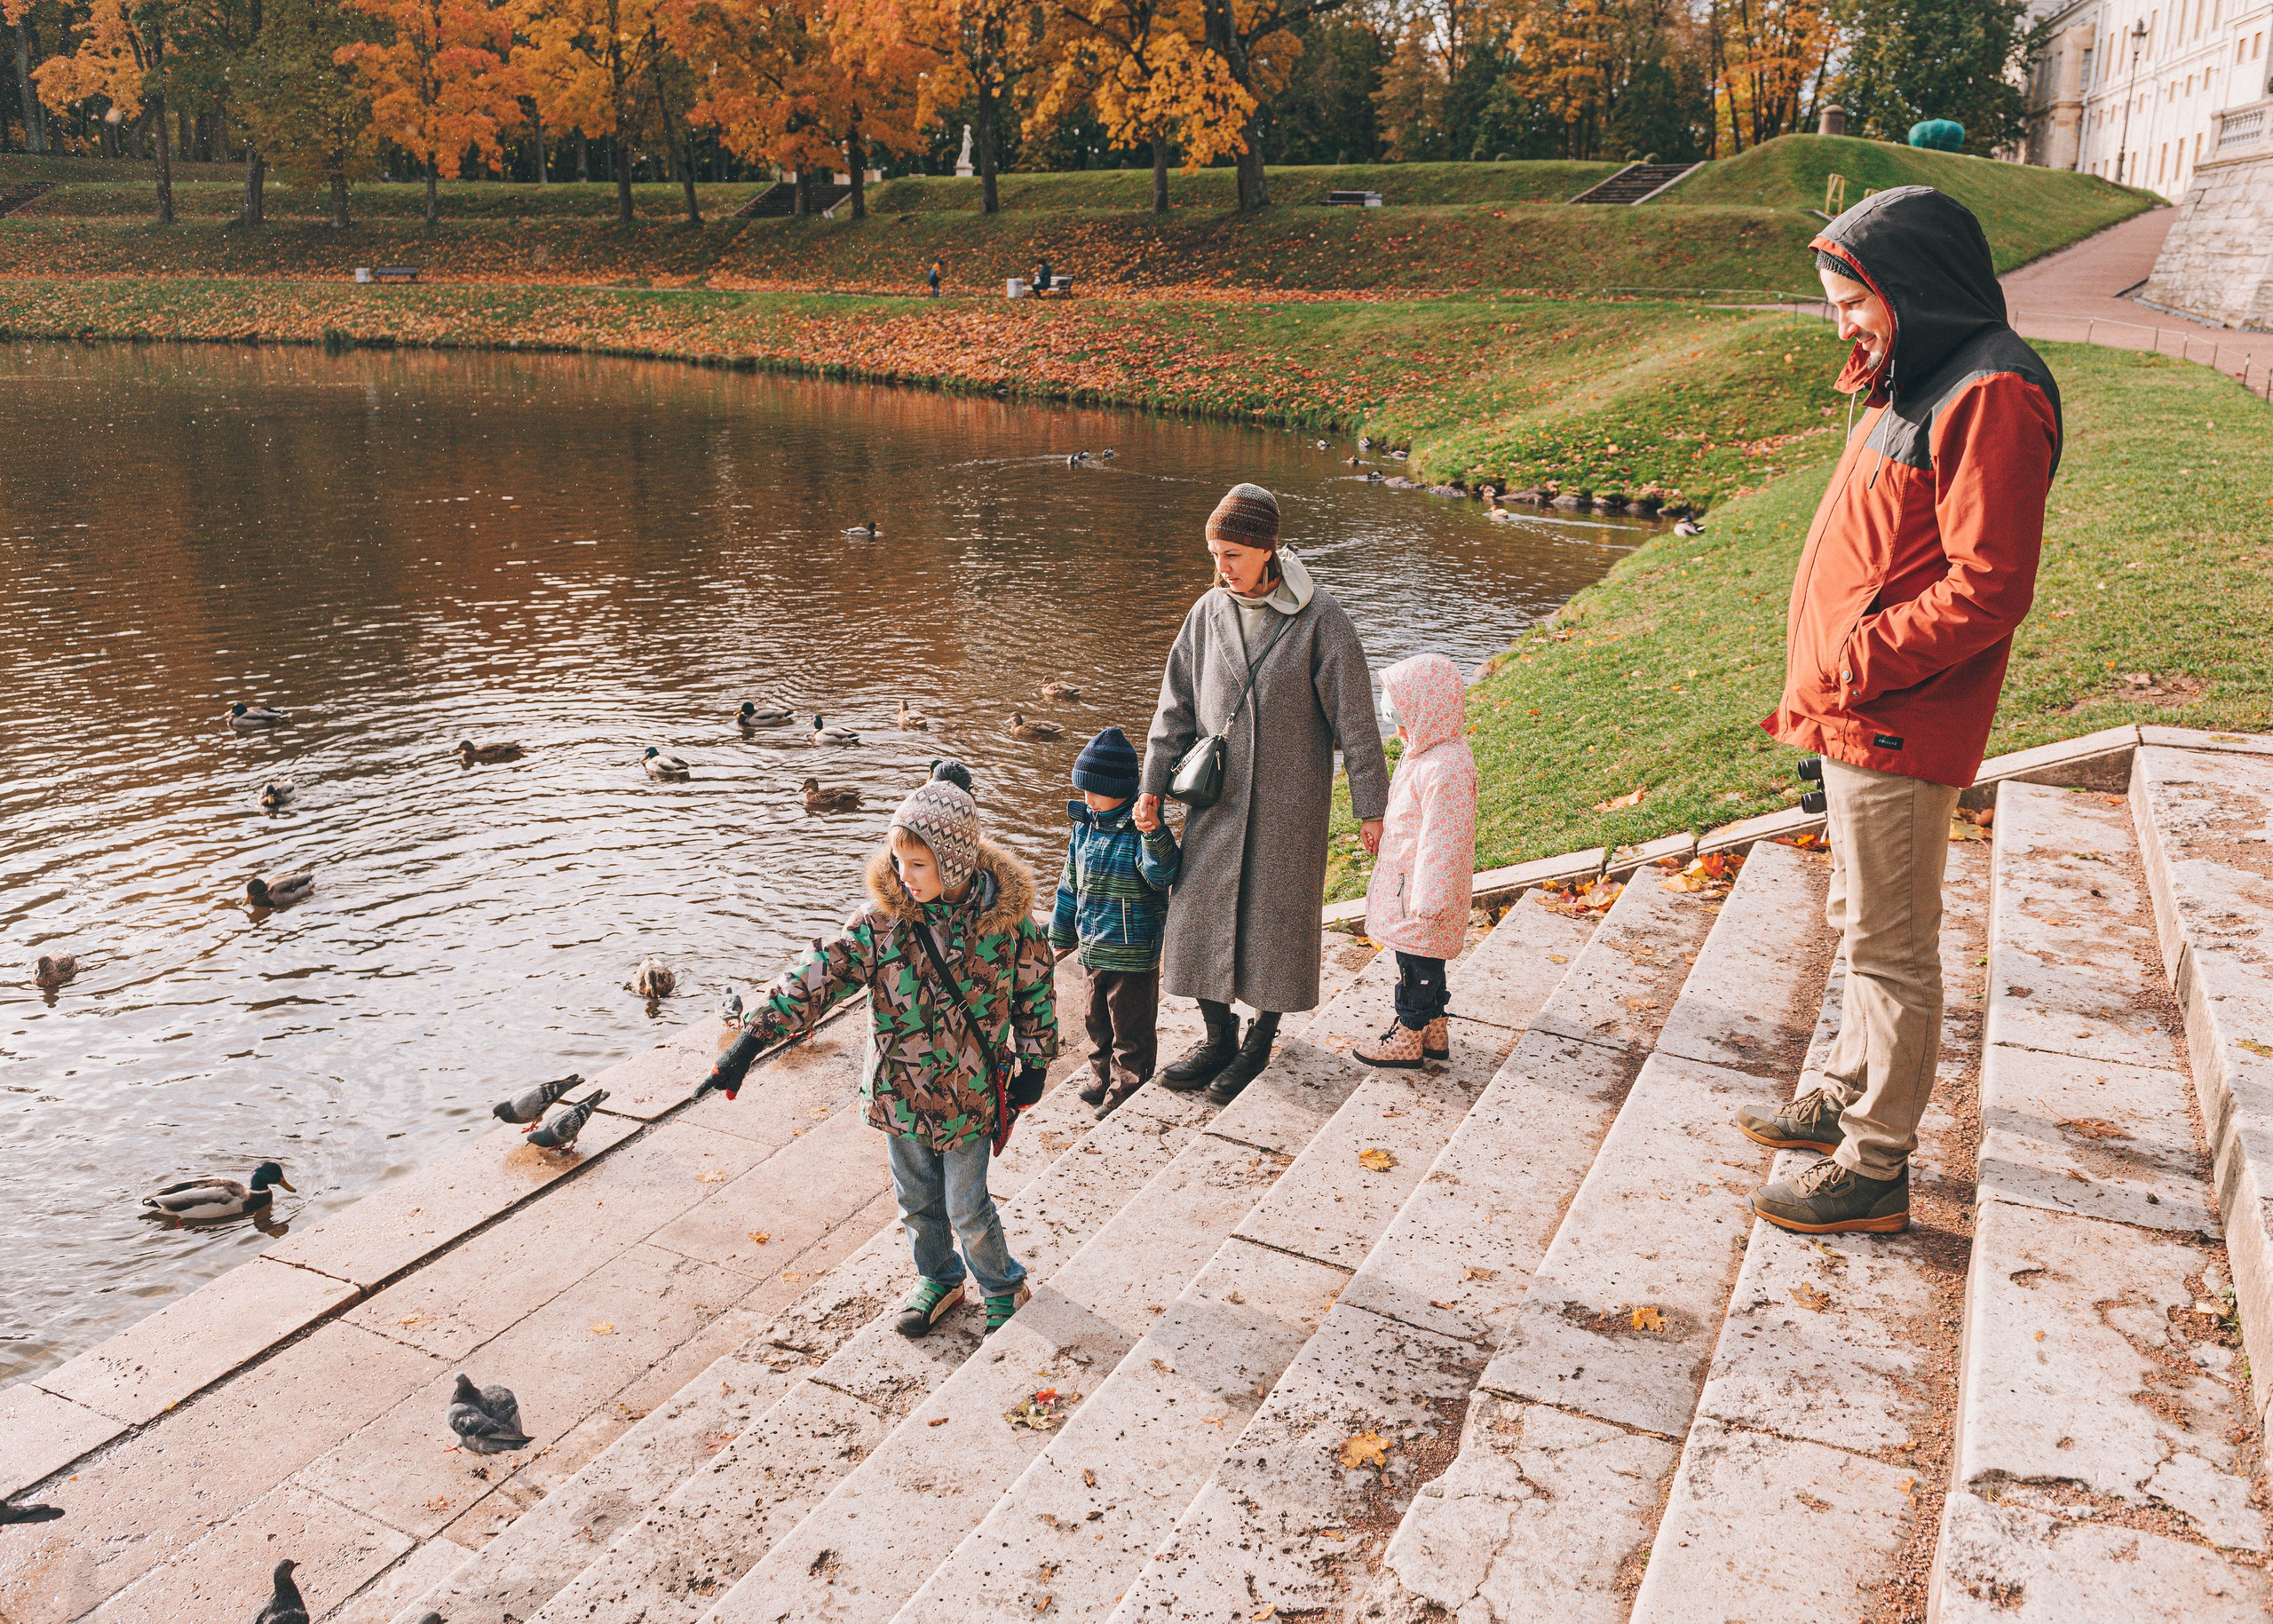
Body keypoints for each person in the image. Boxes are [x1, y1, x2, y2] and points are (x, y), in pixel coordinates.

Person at [1743, 186, 2061, 1236]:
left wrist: (1854, 663)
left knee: (1891, 945)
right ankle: (1845, 1085)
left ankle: (1875, 1163)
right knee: (1857, 920)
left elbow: (1988, 585)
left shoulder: (1991, 390)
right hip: (1854, 712)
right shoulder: (1917, 372)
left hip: (1893, 718)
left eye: (1851, 301)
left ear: (1909, 285)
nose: (1840, 325)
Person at [700, 780, 1057, 1336]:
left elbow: (1035, 994)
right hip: (899, 1092)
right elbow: (817, 976)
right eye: (897, 860)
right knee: (915, 1201)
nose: (903, 875)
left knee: (967, 1206)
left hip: (969, 1095)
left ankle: (1002, 1285)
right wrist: (748, 1043)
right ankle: (939, 1277)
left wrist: (1034, 1065)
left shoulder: (1010, 927)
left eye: (917, 864)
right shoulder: (882, 923)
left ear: (955, 860)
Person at [1136, 482, 1390, 1103]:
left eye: (1233, 555)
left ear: (1267, 549)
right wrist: (1151, 787)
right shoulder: (1206, 613)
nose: (1221, 567)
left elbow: (1356, 720)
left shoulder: (1321, 619)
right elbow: (1175, 708)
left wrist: (1372, 807)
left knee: (1276, 923)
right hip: (1214, 803)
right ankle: (1217, 1036)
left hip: (1288, 806)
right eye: (1215, 554)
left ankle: (1260, 1039)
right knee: (1198, 913)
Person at [1049, 727, 1183, 1120]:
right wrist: (1062, 932)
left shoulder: (1140, 828)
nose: (1088, 799)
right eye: (1084, 790)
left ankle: (1128, 1086)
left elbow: (1162, 874)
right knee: (1095, 1020)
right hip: (1093, 945)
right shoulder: (1084, 826)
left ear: (1120, 790)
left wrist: (1154, 832)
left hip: (1132, 950)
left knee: (1130, 1027)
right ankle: (1101, 1074)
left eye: (1095, 791)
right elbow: (1069, 882)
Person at [1354, 653, 1478, 1068]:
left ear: (1428, 713)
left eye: (1404, 722)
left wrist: (1428, 900)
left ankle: (1407, 1037)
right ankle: (1435, 1030)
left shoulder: (1445, 767)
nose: (1399, 732)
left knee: (1417, 969)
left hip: (1424, 896)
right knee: (1423, 961)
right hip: (1411, 884)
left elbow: (1442, 841)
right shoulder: (1424, 754)